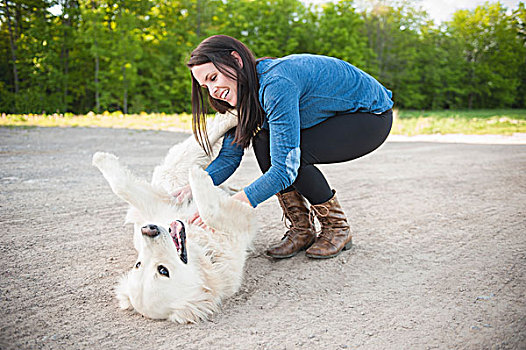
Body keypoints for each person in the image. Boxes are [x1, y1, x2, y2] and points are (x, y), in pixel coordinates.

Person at [178, 34, 393, 259]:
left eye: (213, 78)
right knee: (262, 141)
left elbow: (284, 170)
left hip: (370, 117)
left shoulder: (276, 83)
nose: (212, 91)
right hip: (334, 117)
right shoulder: (242, 93)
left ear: (236, 60)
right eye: (205, 86)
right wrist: (194, 187)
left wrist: (229, 207)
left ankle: (337, 228)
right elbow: (229, 158)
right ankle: (302, 229)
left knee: (293, 156)